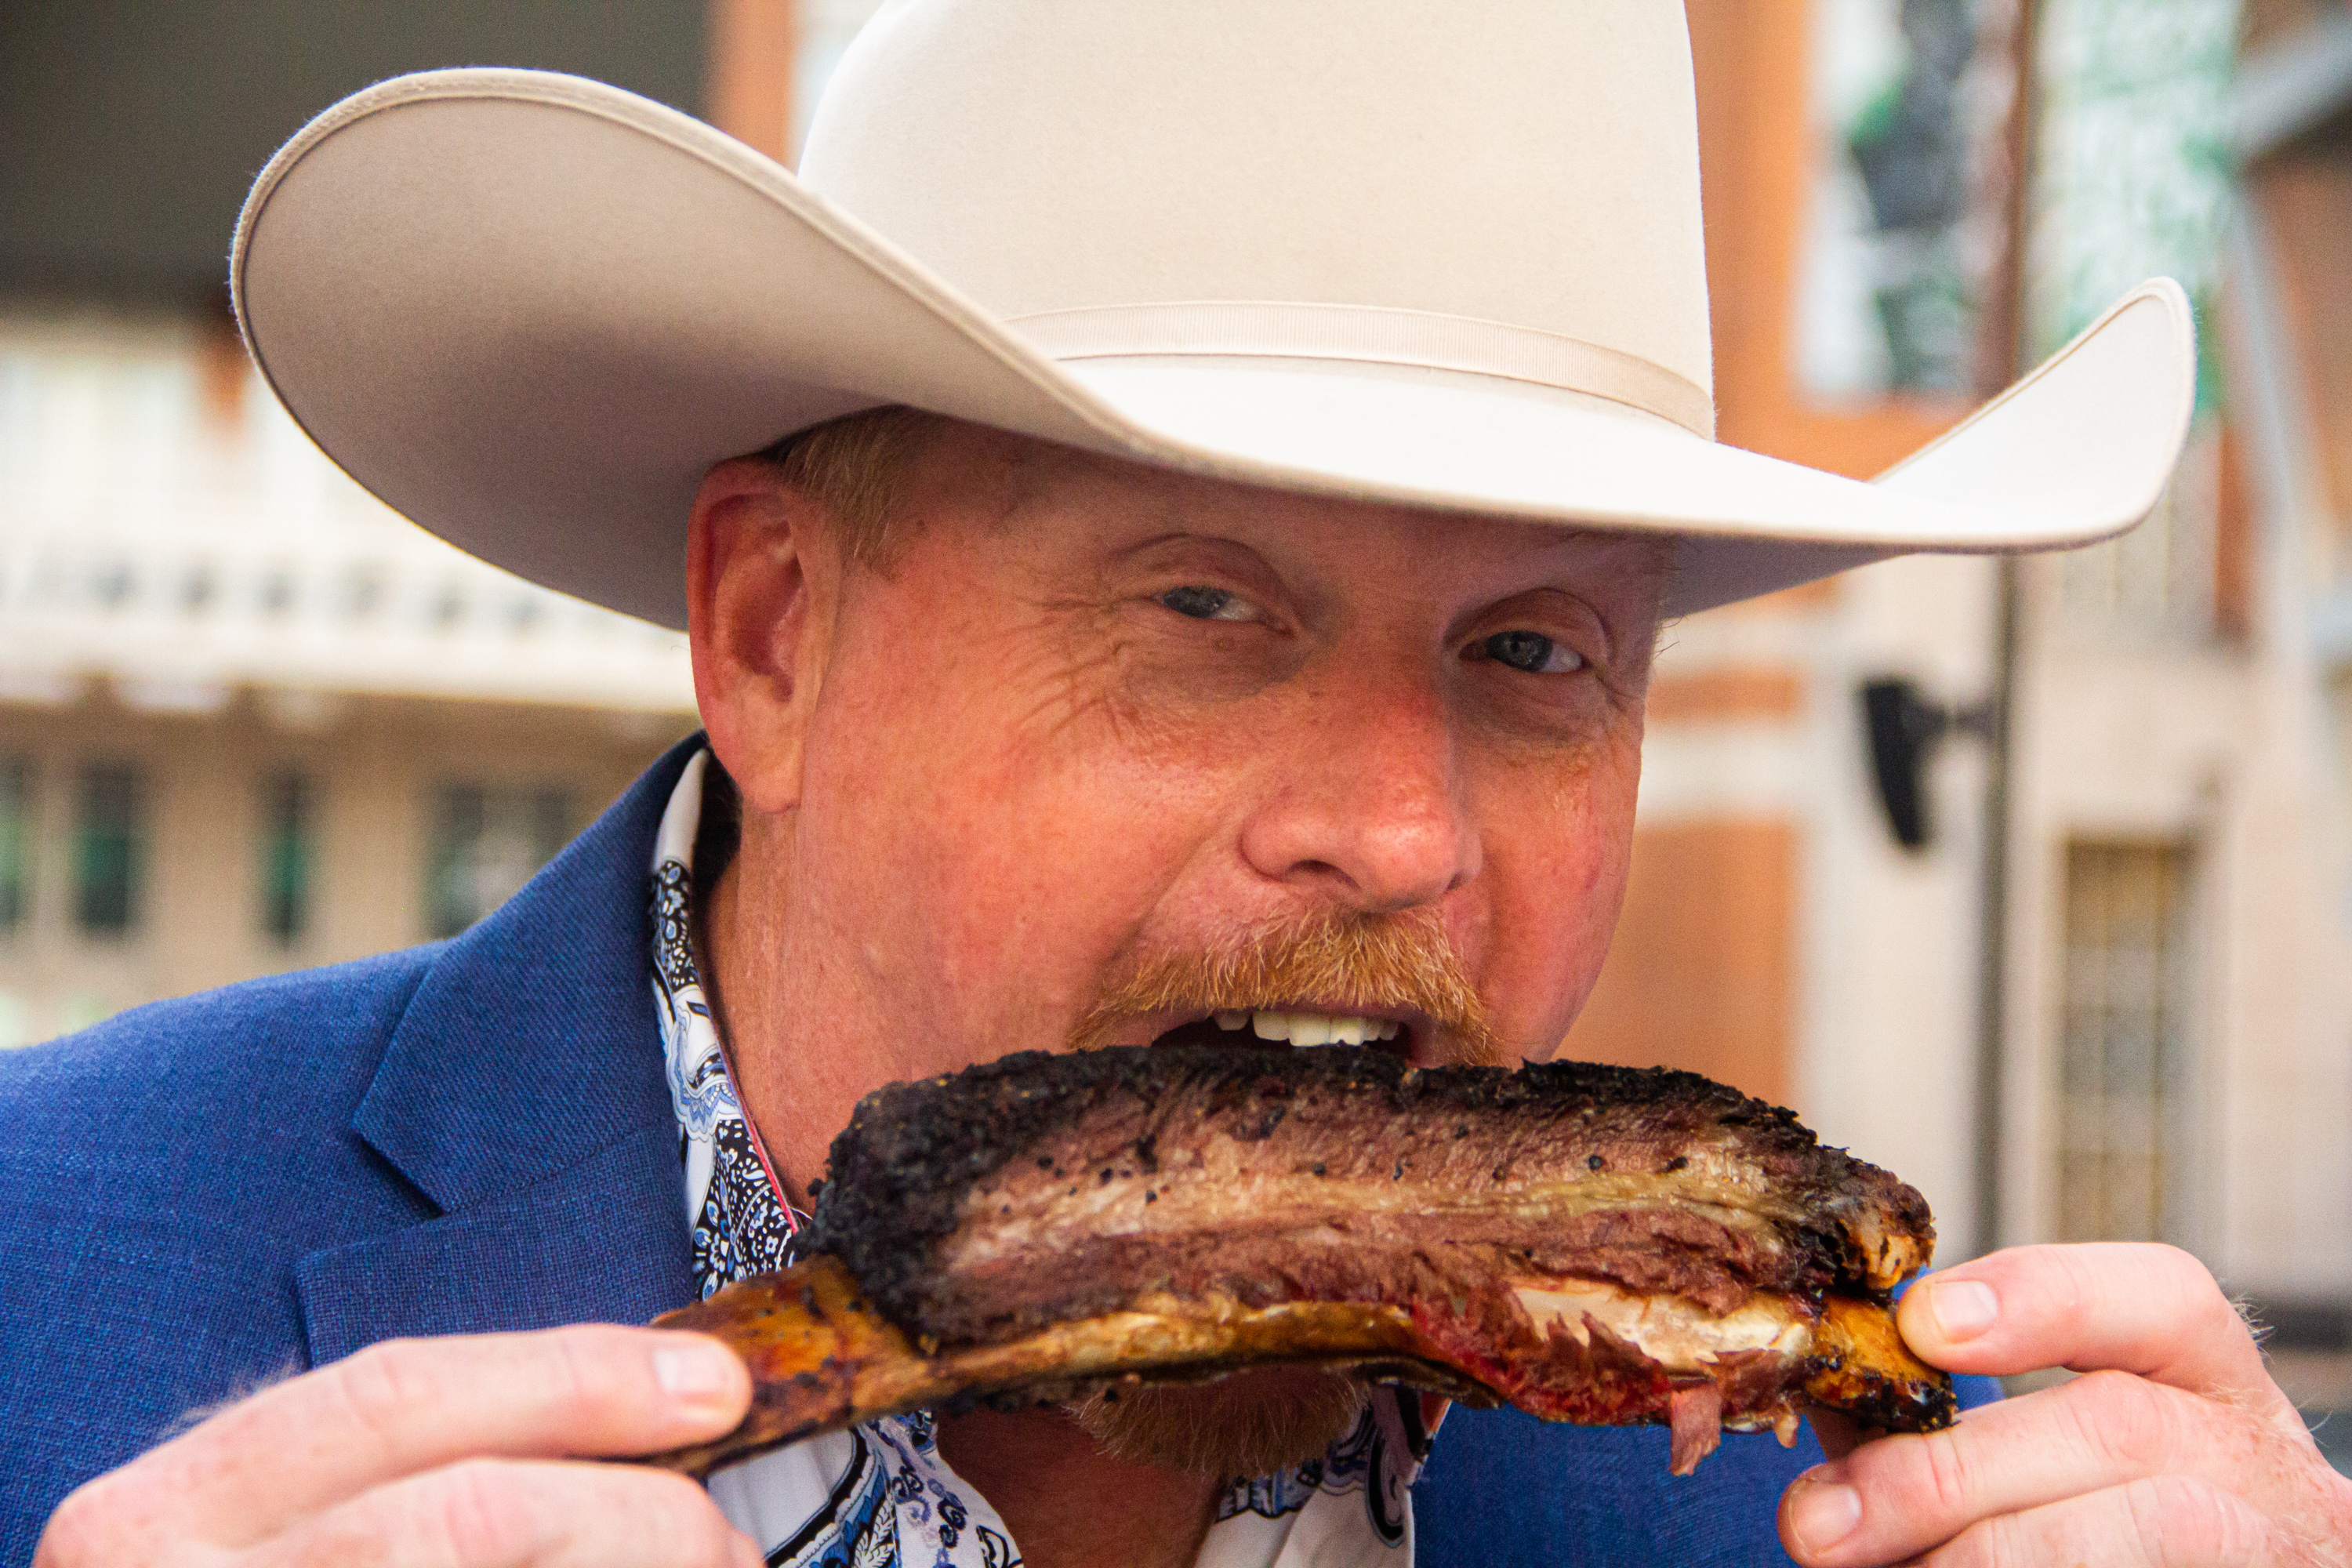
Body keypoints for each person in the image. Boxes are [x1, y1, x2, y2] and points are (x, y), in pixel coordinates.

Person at [5, 2, 2342, 1565]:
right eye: (1204, 611)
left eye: (1533, 653)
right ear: (775, 635)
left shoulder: (1823, 1511)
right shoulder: (51, 1307)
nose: (1402, 830)